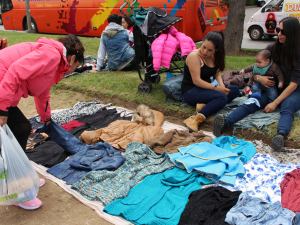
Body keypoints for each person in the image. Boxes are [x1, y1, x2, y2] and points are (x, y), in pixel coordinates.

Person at [0, 34, 85, 210]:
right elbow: (15, 71)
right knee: (19, 130)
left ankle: (23, 177)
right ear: (73, 57)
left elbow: (42, 91)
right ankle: (17, 190)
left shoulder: (54, 61)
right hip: (2, 85)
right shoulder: (52, 55)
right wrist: (2, 109)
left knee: (21, 129)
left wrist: (46, 117)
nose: (72, 70)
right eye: (75, 66)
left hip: (2, 86)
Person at [213, 17, 300, 151]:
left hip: (293, 91)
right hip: (271, 87)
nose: (279, 33)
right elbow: (256, 69)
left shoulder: (298, 54)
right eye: (278, 29)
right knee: (253, 101)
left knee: (287, 107)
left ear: (292, 32)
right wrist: (260, 79)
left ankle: (280, 136)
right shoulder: (272, 48)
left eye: (282, 31)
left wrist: (274, 103)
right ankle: (225, 122)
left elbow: (294, 84)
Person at [181, 31, 239, 132]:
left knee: (234, 90)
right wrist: (217, 89)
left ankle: (203, 104)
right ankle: (196, 119)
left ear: (216, 50)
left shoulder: (213, 56)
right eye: (204, 46)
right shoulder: (194, 56)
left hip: (205, 89)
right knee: (222, 98)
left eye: (210, 50)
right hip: (191, 91)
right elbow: (197, 81)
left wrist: (222, 87)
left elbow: (216, 74)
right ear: (202, 42)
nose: (205, 51)